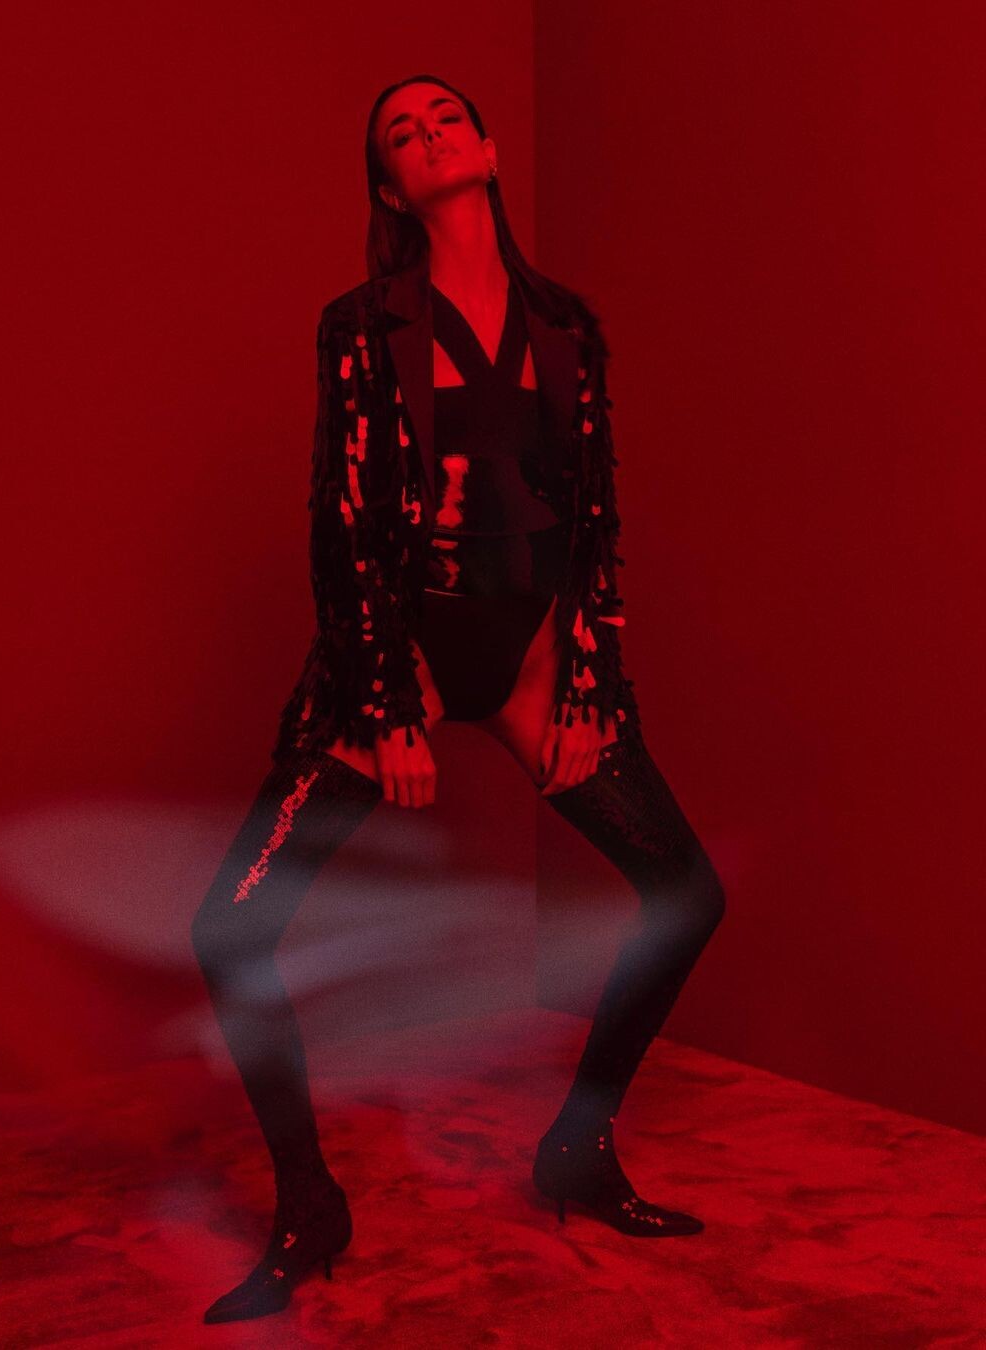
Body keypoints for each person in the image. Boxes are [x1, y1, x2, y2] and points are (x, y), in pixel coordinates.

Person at [191, 73, 726, 1324]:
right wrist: (385, 698)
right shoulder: (360, 325)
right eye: (402, 132)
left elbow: (593, 518)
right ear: (390, 187)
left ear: (485, 147)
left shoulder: (568, 325)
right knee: (233, 932)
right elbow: (340, 519)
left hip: (532, 655)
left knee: (686, 892)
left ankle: (578, 1146)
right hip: (398, 655)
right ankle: (309, 1204)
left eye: (445, 117)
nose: (428, 134)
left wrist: (578, 675)